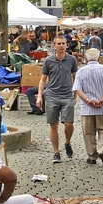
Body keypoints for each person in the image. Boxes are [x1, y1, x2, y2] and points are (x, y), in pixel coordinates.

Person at [36, 36, 79, 164]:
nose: (61, 46)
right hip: (52, 95)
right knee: (53, 124)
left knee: (68, 123)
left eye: (63, 43)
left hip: (67, 95)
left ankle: (67, 142)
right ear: (54, 46)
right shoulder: (49, 61)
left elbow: (75, 77)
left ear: (67, 45)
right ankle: (56, 152)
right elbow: (43, 79)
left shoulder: (72, 60)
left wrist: (75, 94)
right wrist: (39, 96)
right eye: (58, 43)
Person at [72, 48, 103, 165]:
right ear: (98, 57)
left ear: (86, 58)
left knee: (88, 132)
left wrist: (88, 101)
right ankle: (102, 149)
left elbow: (77, 89)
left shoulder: (81, 71)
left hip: (87, 109)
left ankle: (92, 156)